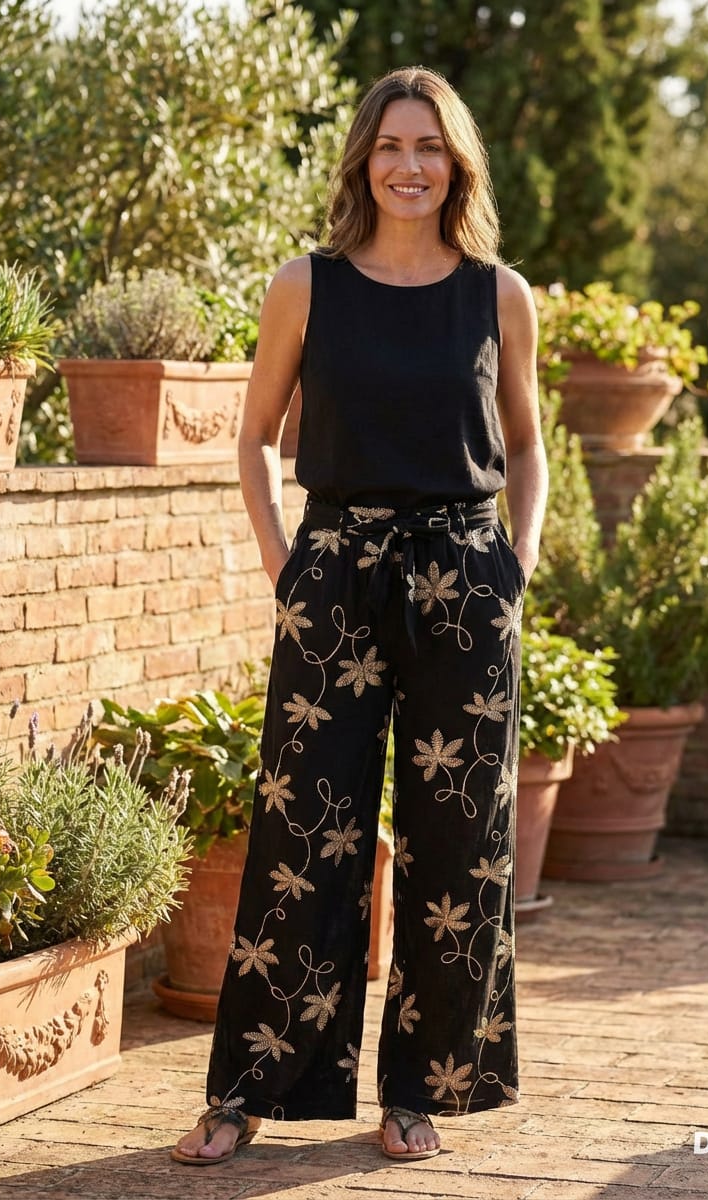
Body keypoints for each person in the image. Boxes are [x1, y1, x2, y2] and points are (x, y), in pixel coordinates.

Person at [171, 64, 548, 1167]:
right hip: (335, 577)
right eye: (390, 145)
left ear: (457, 164)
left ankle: (420, 1090)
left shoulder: (499, 295)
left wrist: (518, 561)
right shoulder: (307, 286)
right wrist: (283, 561)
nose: (409, 166)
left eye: (429, 147)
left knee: (457, 844)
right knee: (304, 831)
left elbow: (527, 444)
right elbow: (253, 437)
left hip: (464, 583)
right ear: (362, 160)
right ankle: (248, 1091)